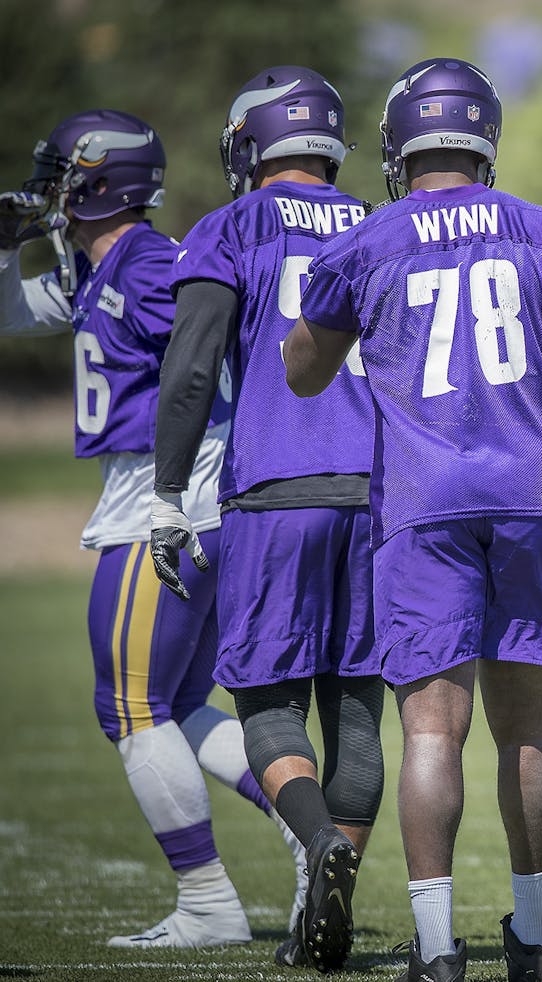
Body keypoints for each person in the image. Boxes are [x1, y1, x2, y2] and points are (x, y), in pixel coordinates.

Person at [283, 56, 542, 982]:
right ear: (487, 140)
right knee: (530, 730)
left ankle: (439, 950)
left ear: (401, 146)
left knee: (432, 732)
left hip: (423, 501)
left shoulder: (367, 241)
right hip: (532, 495)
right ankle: (527, 936)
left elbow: (303, 370)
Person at [0, 110, 303, 948]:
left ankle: (207, 900)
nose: (47, 193)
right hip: (182, 495)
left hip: (166, 497)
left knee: (129, 707)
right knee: (175, 702)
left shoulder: (152, 263)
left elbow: (218, 365)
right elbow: (10, 314)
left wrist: (184, 490)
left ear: (100, 182)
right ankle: (308, 831)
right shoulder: (105, 267)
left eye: (60, 176)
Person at [149, 66, 385, 972]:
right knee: (358, 715)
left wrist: (169, 499)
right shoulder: (380, 223)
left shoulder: (231, 225)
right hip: (378, 498)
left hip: (275, 493)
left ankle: (318, 841)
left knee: (267, 703)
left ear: (249, 142)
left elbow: (192, 366)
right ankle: (331, 903)